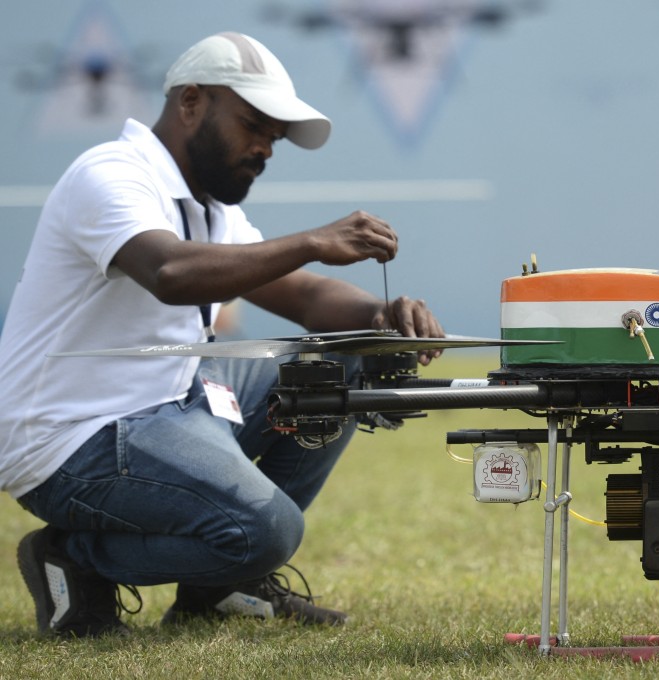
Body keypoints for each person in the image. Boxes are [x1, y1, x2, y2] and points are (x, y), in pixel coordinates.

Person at [0, 32, 444, 637]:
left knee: (338, 363)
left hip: (167, 399)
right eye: (253, 126)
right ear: (190, 103)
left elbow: (306, 297)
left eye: (274, 138)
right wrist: (314, 240)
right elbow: (170, 272)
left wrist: (383, 316)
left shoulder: (209, 206)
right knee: (269, 532)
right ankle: (75, 559)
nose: (264, 147)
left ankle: (220, 589)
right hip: (72, 438)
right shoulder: (109, 175)